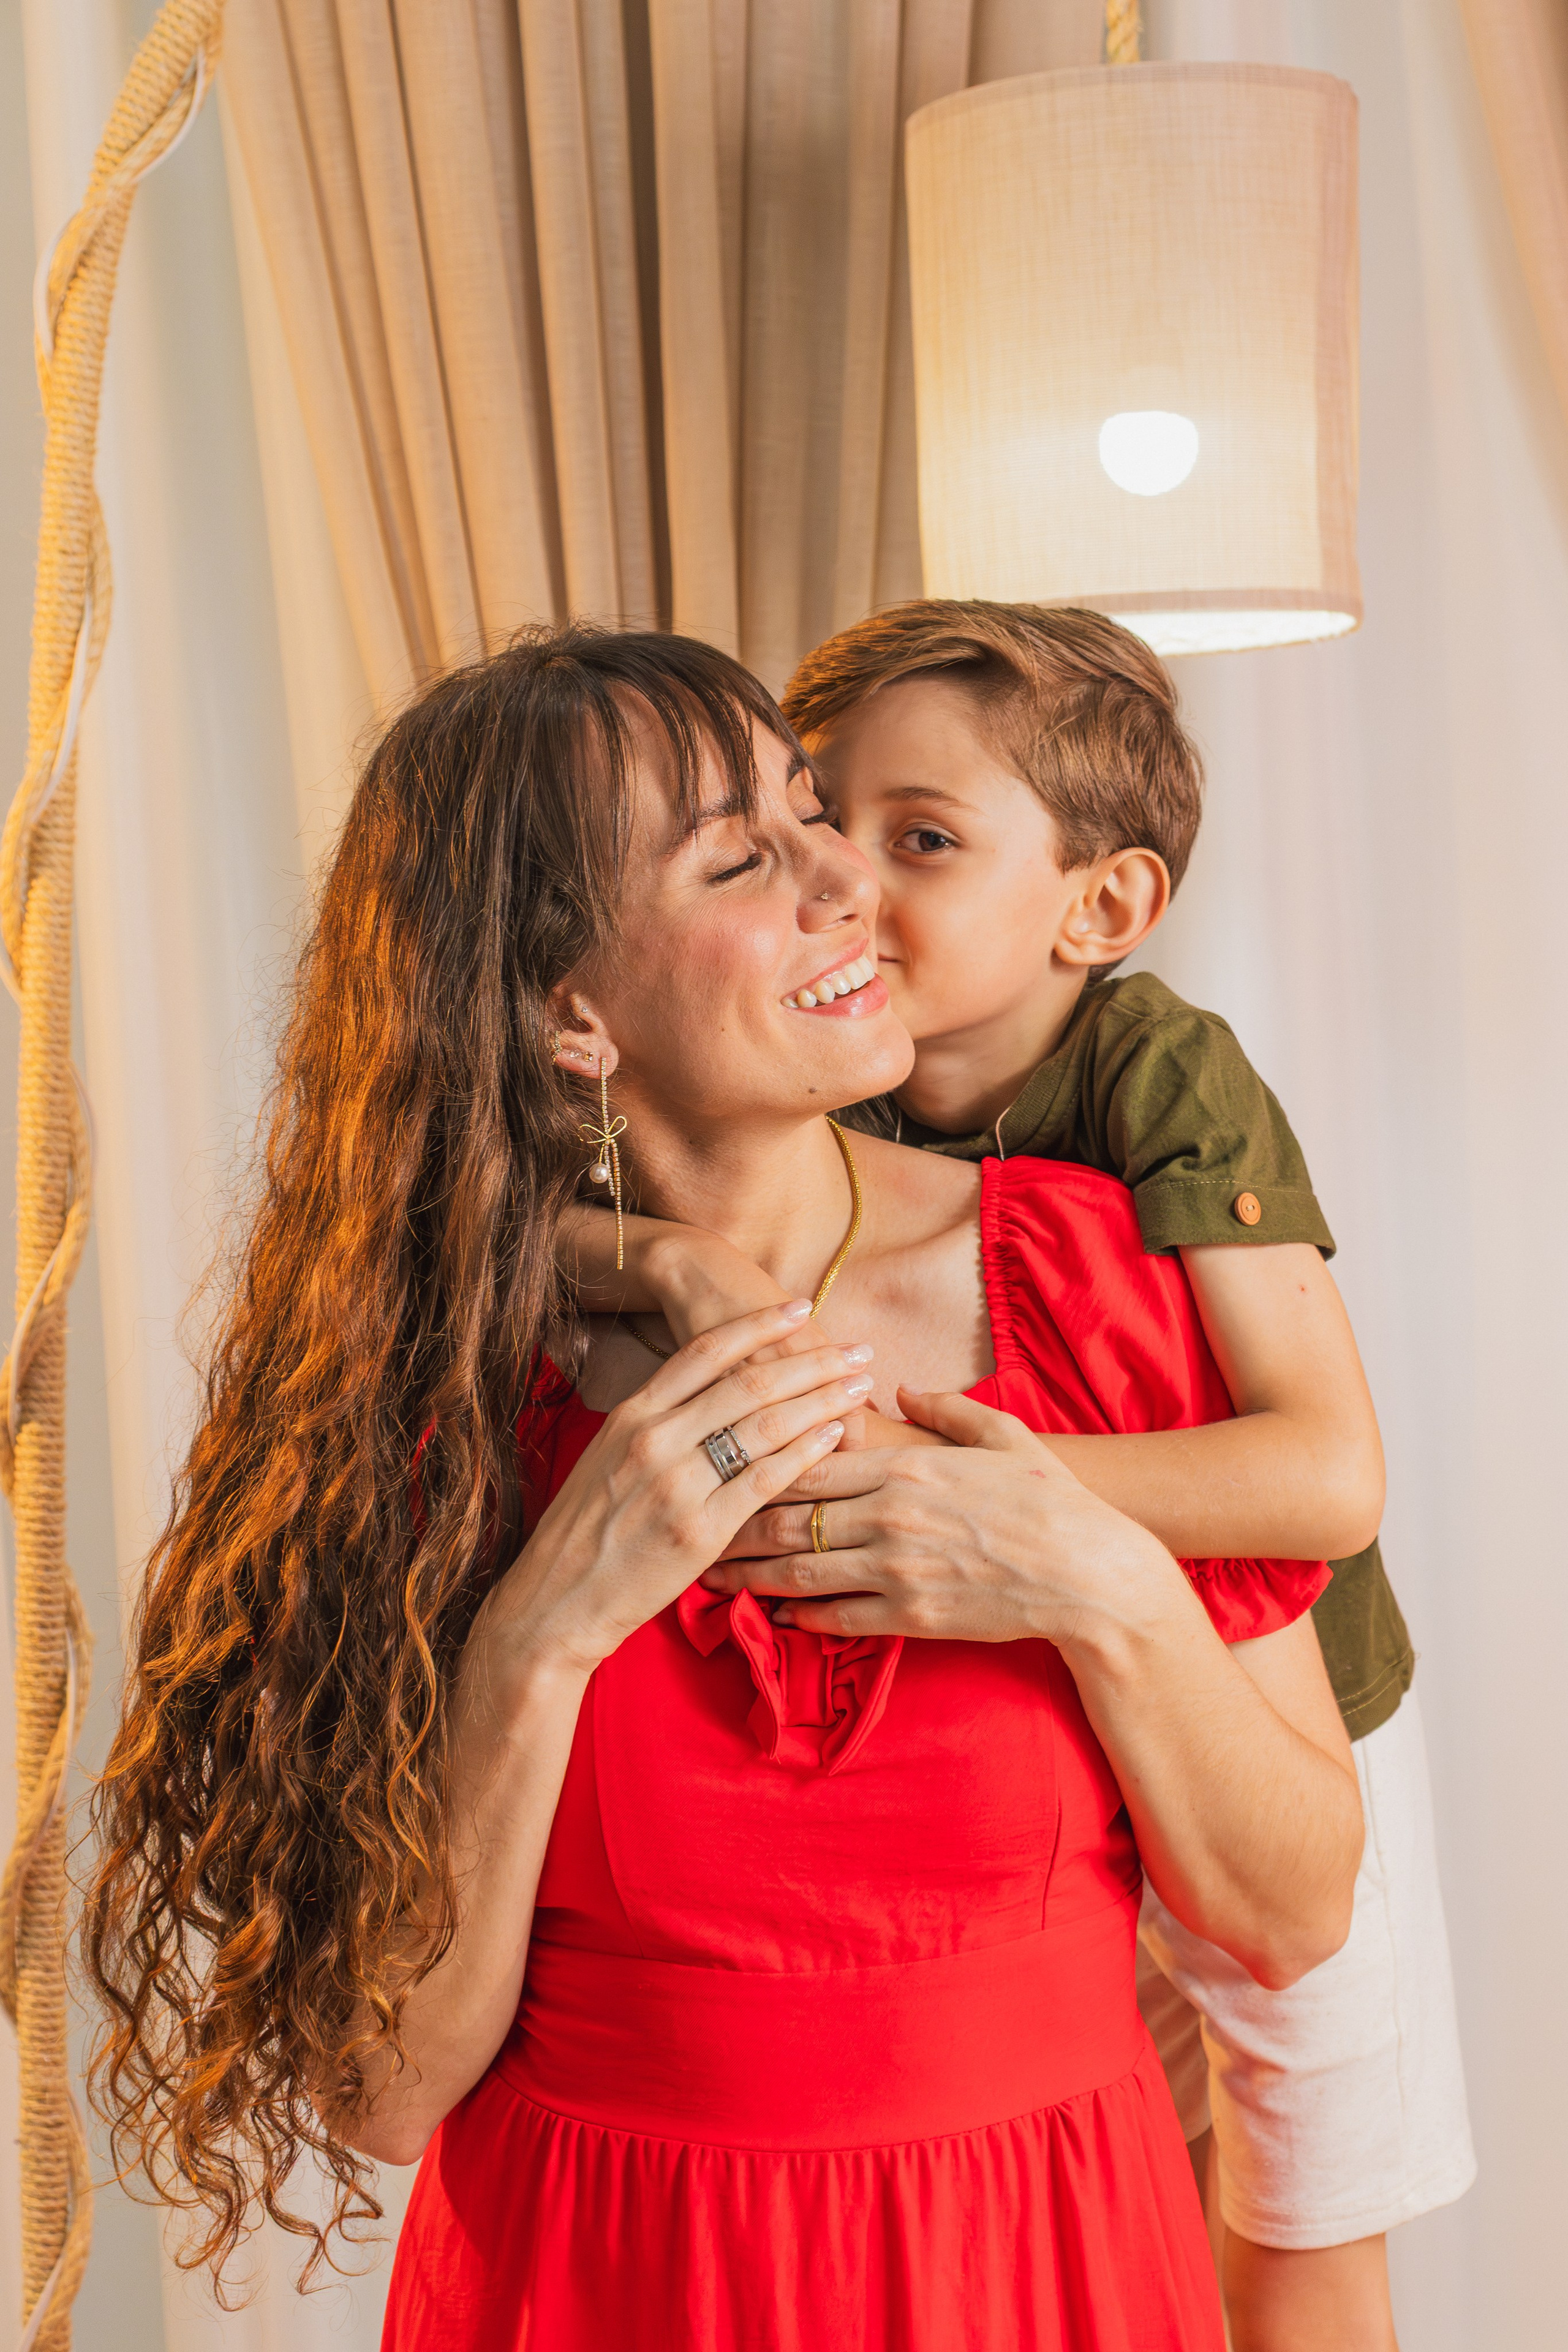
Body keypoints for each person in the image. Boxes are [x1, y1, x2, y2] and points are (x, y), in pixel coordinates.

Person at [84, 625, 1360, 2352]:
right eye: (748, 856)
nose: (851, 880)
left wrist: (1106, 1582)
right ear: (570, 1017)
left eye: (816, 810)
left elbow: (1294, 1911)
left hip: (1047, 2271)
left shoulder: (1087, 1282)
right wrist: (542, 1632)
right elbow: (384, 2091)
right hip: (606, 2285)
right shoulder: (435, 1398)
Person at [587, 602, 1474, 2351]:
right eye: (827, 817)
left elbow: (1328, 1475)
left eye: (923, 838)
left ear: (1105, 909)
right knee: (1144, 2150)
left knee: (1307, 2199)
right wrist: (669, 1272)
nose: (844, 878)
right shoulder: (841, 1084)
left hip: (1306, 1692)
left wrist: (1016, 1503)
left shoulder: (1159, 1074)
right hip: (1053, 1719)